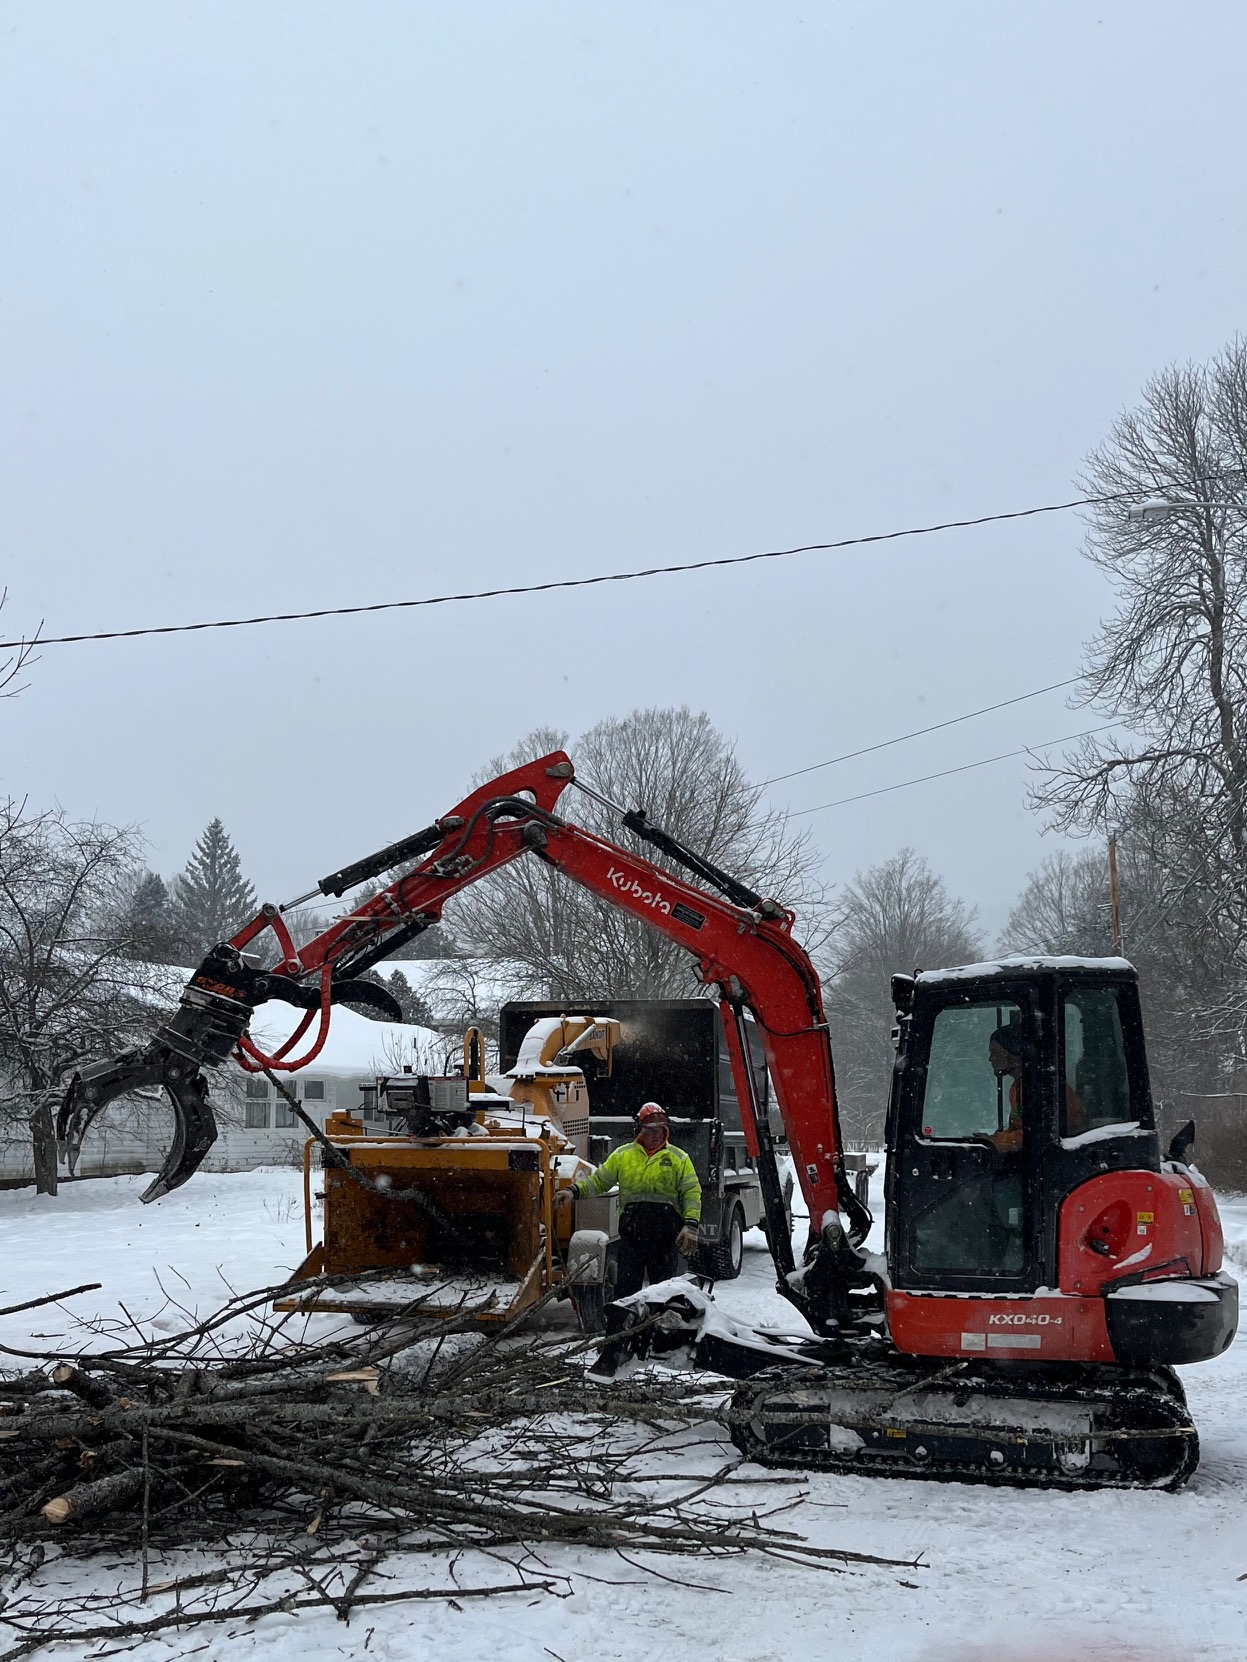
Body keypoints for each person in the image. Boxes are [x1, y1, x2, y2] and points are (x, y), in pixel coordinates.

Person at [557, 1102, 701, 1378]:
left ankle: (660, 1351)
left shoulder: (679, 1158)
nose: (656, 1134)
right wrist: (573, 1192)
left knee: (663, 1297)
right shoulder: (623, 1156)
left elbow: (691, 1192)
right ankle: (612, 1354)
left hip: (664, 1242)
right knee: (624, 1299)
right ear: (639, 1130)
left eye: (661, 1129)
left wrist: (691, 1224)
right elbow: (599, 1181)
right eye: (650, 1129)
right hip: (632, 1241)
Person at [986, 1020, 1085, 1152]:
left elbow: (1035, 1134)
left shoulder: (1042, 1087)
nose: (990, 1058)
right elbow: (1018, 1129)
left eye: (995, 1052)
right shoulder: (1018, 1087)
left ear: (1015, 1052)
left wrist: (995, 1142)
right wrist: (992, 1140)